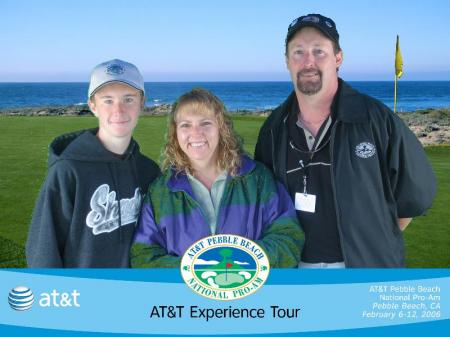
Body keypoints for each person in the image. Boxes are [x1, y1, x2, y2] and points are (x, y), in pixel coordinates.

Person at [254, 14, 437, 268]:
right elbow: (264, 204)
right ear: (287, 61)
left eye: (319, 51)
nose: (308, 61)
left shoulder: (376, 120)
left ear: (338, 58)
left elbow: (413, 195)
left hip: (362, 271)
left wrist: (375, 243)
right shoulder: (273, 129)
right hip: (295, 271)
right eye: (298, 52)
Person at [131, 88, 303, 268]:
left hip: (252, 294)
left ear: (221, 128)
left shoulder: (257, 179)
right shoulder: (161, 191)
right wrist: (196, 271)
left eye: (205, 123)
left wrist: (242, 262)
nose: (196, 133)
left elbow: (288, 238)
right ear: (175, 134)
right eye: (186, 125)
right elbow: (144, 255)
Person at [26, 59, 160, 267]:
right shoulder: (68, 171)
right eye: (107, 100)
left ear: (141, 103)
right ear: (92, 106)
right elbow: (43, 253)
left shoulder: (149, 171)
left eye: (128, 99)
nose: (119, 110)